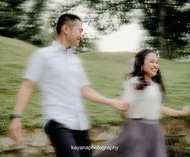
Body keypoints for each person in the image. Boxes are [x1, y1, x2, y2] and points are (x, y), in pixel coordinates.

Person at [8, 13, 127, 157]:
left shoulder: (75, 61)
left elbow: (85, 90)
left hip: (80, 124)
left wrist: (111, 101)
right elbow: (27, 85)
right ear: (66, 29)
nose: (81, 35)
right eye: (80, 30)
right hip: (57, 122)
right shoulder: (42, 55)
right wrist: (16, 117)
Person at [93, 48, 190, 157]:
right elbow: (125, 109)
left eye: (157, 62)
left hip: (154, 130)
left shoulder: (155, 85)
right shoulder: (134, 82)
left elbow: (157, 107)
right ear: (141, 64)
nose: (155, 65)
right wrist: (130, 126)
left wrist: (179, 113)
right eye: (151, 61)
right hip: (137, 130)